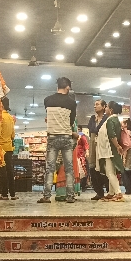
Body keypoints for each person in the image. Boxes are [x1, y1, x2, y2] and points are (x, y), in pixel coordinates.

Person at [38, 76, 77, 204]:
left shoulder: (47, 100)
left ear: (57, 86)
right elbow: (71, 121)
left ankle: (46, 196)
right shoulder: (72, 103)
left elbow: (49, 116)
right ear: (68, 87)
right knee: (69, 169)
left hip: (52, 137)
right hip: (66, 137)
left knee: (50, 168)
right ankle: (70, 196)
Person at [96, 101, 124, 202]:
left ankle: (118, 193)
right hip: (110, 149)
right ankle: (111, 193)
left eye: (107, 107)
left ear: (111, 110)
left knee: (109, 172)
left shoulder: (110, 120)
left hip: (109, 150)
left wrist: (117, 146)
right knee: (111, 171)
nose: (106, 109)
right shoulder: (115, 119)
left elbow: (112, 135)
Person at [88, 99, 109, 201]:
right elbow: (92, 129)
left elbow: (98, 129)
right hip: (93, 146)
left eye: (97, 104)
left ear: (104, 106)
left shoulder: (107, 118)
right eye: (94, 104)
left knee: (104, 169)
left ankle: (109, 192)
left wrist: (97, 126)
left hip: (103, 146)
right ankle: (99, 192)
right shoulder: (92, 118)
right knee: (92, 169)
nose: (95, 106)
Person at [0, 96, 17, 200]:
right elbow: (13, 135)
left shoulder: (0, 117)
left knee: (2, 171)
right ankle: (13, 194)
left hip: (1, 147)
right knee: (10, 171)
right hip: (9, 148)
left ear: (1, 105)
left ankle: (4, 194)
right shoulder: (10, 118)